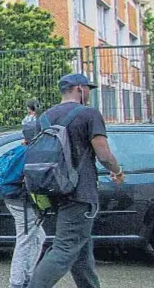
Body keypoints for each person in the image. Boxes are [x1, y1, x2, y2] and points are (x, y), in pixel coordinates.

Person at [27, 74, 125, 288]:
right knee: (63, 250)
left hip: (50, 190)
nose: (90, 92)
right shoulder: (89, 114)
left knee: (80, 250)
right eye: (88, 88)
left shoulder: (44, 117)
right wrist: (117, 171)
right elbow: (104, 155)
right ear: (79, 89)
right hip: (79, 193)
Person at [4, 99, 45, 288]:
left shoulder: (24, 147)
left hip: (15, 198)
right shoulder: (34, 152)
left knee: (39, 236)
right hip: (23, 201)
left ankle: (27, 276)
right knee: (25, 239)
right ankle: (18, 282)